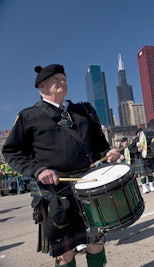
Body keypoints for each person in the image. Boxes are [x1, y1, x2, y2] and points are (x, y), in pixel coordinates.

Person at [2, 64, 121, 267]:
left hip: (88, 185)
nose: (62, 81)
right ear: (41, 86)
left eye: (63, 78)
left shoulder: (83, 111)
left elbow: (99, 144)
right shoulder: (28, 116)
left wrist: (107, 154)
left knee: (96, 243)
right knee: (65, 253)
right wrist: (38, 170)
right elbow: (11, 152)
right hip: (55, 192)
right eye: (55, 79)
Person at [129, 128, 154, 193]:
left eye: (141, 132)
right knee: (143, 174)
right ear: (137, 134)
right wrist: (137, 150)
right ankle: (144, 188)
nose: (141, 133)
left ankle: (151, 186)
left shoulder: (146, 138)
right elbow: (130, 148)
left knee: (150, 173)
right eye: (139, 132)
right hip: (139, 158)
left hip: (147, 157)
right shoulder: (135, 140)